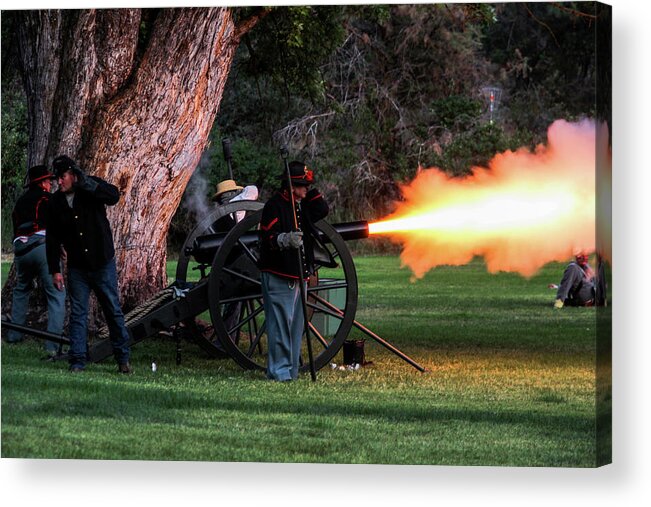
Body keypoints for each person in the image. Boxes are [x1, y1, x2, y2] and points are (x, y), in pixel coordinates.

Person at [46, 155, 131, 373]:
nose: (59, 182)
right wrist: (55, 270)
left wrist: (89, 184)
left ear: (73, 175)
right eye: (57, 178)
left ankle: (123, 359)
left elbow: (113, 196)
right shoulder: (55, 202)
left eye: (62, 177)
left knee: (112, 310)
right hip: (77, 266)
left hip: (102, 261)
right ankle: (77, 360)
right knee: (78, 313)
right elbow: (52, 237)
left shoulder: (90, 187)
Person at [258, 161, 329, 381]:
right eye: (302, 184)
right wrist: (284, 239)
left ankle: (291, 371)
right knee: (280, 327)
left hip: (300, 274)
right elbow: (266, 237)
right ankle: (279, 372)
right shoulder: (275, 205)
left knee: (296, 327)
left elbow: (322, 209)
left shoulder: (302, 205)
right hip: (280, 273)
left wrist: (310, 190)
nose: (306, 188)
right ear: (291, 185)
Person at [7, 165, 66, 358]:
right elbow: (57, 226)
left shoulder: (20, 202)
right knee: (56, 295)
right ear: (41, 183)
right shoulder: (47, 199)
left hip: (20, 250)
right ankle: (52, 345)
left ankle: (14, 335)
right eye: (49, 180)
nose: (51, 183)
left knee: (21, 289)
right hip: (42, 247)